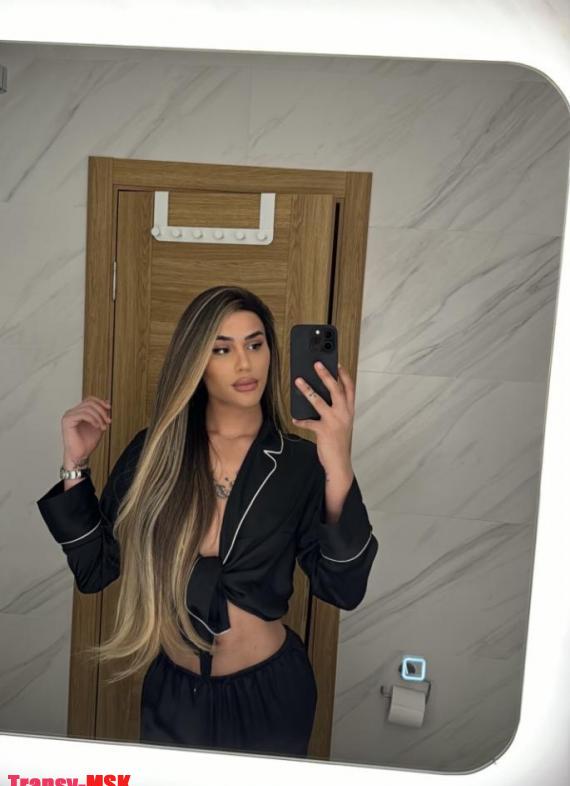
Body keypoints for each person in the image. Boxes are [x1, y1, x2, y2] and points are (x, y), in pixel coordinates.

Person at [36, 285, 379, 758]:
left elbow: (343, 588)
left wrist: (337, 457)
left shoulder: (300, 463)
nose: (244, 363)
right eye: (222, 349)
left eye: (255, 344)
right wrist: (74, 465)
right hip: (174, 693)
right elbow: (96, 569)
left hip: (271, 693)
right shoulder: (155, 453)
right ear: (195, 361)